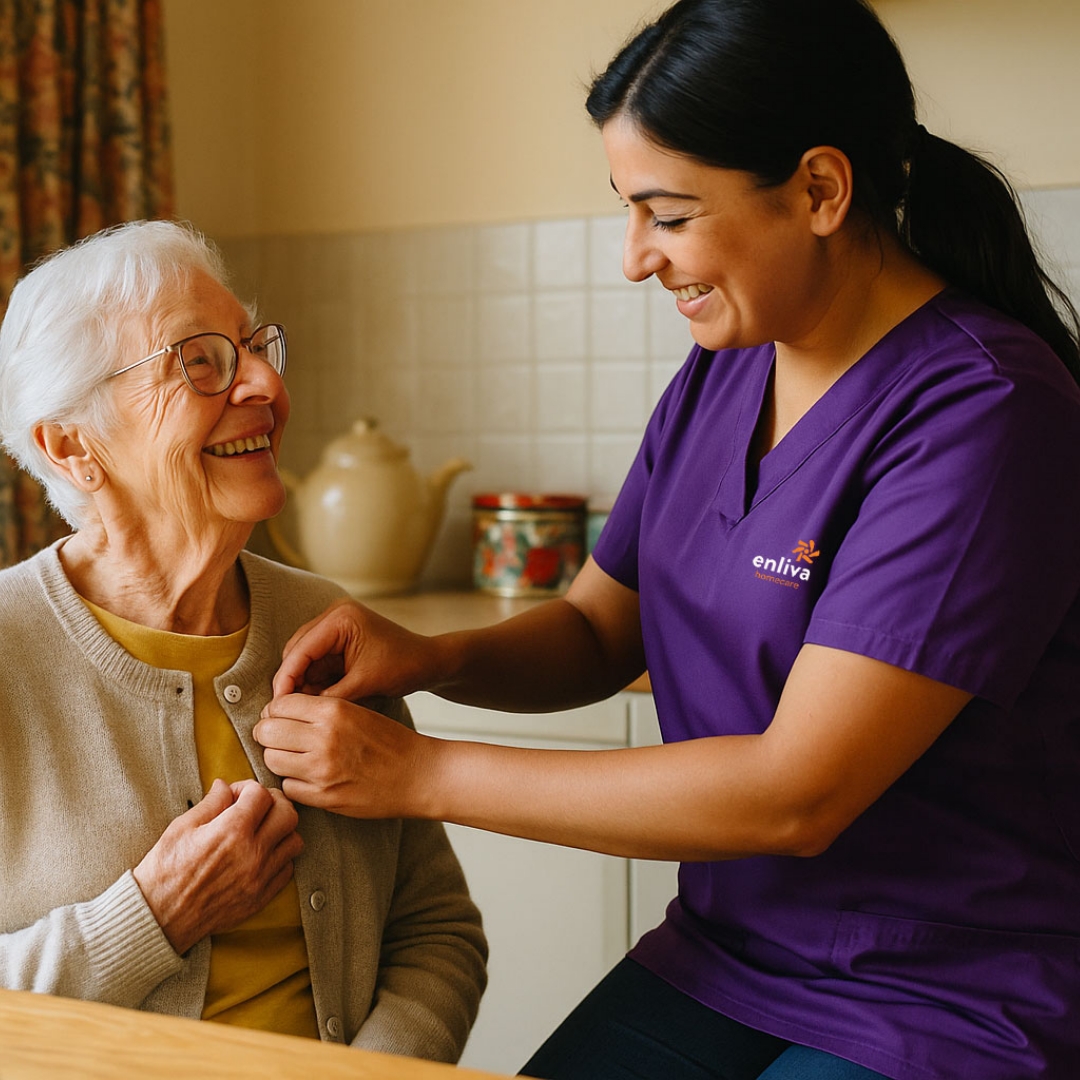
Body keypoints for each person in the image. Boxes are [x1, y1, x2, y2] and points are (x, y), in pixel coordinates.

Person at [253, 1, 1080, 1077]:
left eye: (668, 214)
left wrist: (418, 772)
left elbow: (798, 793)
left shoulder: (986, 411)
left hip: (952, 990)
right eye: (627, 210)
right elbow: (600, 629)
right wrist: (430, 656)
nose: (635, 258)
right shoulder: (728, 367)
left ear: (821, 191)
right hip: (726, 957)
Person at [0, 220, 486, 1063]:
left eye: (254, 347)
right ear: (72, 445)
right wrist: (154, 914)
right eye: (199, 360)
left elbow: (437, 931)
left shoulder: (327, 628)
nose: (263, 382)